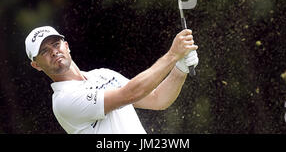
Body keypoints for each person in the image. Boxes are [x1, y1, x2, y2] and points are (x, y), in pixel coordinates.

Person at [25, 25, 199, 134]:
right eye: (44, 51)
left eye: (55, 44)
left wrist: (180, 68)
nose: (54, 52)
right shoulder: (64, 101)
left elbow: (157, 100)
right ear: (37, 65)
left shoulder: (103, 74)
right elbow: (130, 93)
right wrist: (172, 56)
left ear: (66, 46)